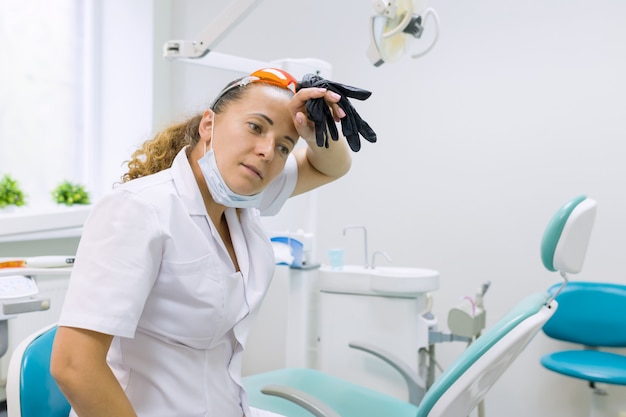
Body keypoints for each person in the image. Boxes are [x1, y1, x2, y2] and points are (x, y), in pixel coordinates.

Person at [50, 67, 353, 417]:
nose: (268, 152)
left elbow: (333, 166)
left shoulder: (242, 200)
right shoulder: (140, 209)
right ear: (208, 125)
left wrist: (317, 132)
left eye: (284, 146)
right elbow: (73, 365)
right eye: (256, 127)